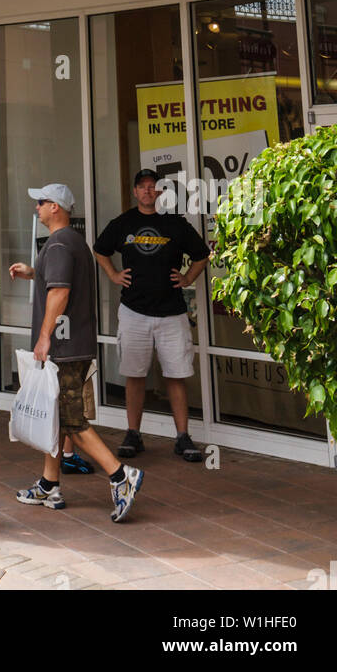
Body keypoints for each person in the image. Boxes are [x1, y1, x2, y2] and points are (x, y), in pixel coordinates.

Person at [10, 184, 143, 523]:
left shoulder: (56, 244)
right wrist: (33, 273)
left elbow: (60, 293)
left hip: (63, 349)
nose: (36, 208)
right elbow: (58, 280)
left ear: (56, 207)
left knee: (71, 419)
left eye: (41, 203)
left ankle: (120, 475)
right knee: (57, 419)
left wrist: (43, 339)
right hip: (74, 346)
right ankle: (48, 484)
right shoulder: (72, 242)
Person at [93, 168, 211, 462]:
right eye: (142, 187)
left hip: (172, 312)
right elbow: (100, 249)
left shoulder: (174, 224)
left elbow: (202, 254)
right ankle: (133, 434)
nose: (147, 191)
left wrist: (187, 278)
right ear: (135, 192)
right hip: (134, 311)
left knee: (176, 374)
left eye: (152, 187)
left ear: (159, 192)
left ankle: (182, 437)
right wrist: (114, 275)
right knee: (134, 375)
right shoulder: (123, 224)